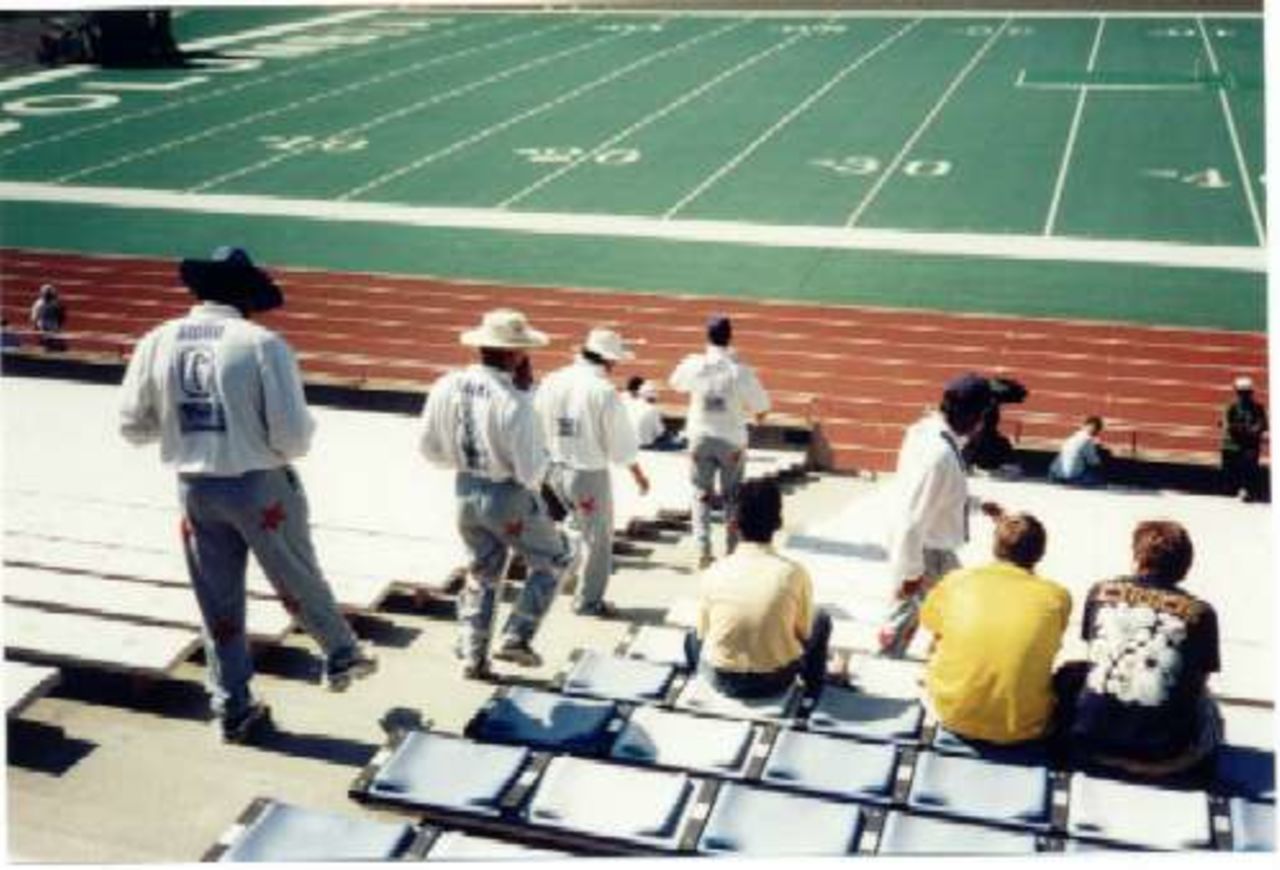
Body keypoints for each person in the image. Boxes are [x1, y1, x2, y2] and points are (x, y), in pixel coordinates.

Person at [118, 246, 376, 744]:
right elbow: (292, 436)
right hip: (259, 482)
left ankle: (231, 703)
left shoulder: (157, 340)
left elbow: (133, 425)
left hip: (194, 488)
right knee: (295, 571)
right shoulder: (261, 343)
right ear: (246, 296)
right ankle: (339, 651)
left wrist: (184, 431)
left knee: (215, 598)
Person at [419, 308, 579, 678]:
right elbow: (529, 472)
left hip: (464, 489)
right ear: (515, 354)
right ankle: (517, 635)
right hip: (507, 495)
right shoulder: (515, 402)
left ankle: (472, 657)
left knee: (482, 571)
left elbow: (429, 448)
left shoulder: (446, 385)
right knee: (556, 557)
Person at [1068, 520, 1222, 777]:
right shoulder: (1201, 613)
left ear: (1137, 559)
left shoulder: (1101, 590)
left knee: (1076, 673)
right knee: (1209, 707)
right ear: (1184, 569)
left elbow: (1095, 648)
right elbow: (1199, 681)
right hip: (1162, 753)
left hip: (1090, 742)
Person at [879, 373, 1005, 658]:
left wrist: (978, 504)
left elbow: (939, 495)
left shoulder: (926, 431)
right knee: (952, 610)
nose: (984, 424)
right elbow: (913, 517)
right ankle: (917, 659)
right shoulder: (940, 455)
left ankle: (893, 653)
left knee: (912, 611)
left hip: (925, 545)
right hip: (925, 550)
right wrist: (911, 573)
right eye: (984, 415)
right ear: (972, 416)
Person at [921, 512, 1071, 744]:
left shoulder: (957, 581)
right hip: (1023, 727)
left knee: (937, 644)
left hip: (951, 714)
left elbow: (934, 632)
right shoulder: (1057, 597)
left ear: (995, 546)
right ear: (1040, 554)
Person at [536, 328, 649, 617]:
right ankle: (588, 601)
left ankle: (562, 577)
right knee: (598, 539)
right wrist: (637, 473)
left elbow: (534, 422)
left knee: (573, 527)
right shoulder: (603, 391)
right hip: (587, 474)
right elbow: (621, 445)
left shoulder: (552, 380)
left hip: (552, 468)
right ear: (608, 361)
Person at [685, 478, 832, 698]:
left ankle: (697, 682)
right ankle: (814, 690)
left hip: (722, 679)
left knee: (692, 636)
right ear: (778, 523)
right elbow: (804, 632)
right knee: (821, 619)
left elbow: (704, 632)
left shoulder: (715, 571)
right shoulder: (794, 573)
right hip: (774, 681)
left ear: (733, 524)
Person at [669, 314, 770, 569]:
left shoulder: (694, 365)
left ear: (708, 336)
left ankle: (702, 549)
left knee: (700, 494)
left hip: (699, 438)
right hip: (731, 441)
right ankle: (732, 551)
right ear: (730, 336)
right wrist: (757, 417)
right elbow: (761, 406)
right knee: (733, 497)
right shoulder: (739, 370)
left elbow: (674, 383)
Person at [1220, 376, 1268, 502]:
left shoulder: (1258, 407)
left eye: (1246, 393)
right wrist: (1241, 430)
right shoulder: (1230, 407)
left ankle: (1246, 488)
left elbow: (1263, 424)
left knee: (1249, 462)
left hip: (1249, 443)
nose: (1244, 396)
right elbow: (1226, 425)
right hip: (1234, 443)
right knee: (1233, 465)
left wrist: (1253, 430)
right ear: (1237, 393)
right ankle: (1236, 486)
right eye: (1242, 393)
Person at [1049, 416, 1110, 486]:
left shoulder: (1071, 438)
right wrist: (1098, 450)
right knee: (1099, 478)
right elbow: (1094, 462)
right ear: (1097, 430)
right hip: (1071, 477)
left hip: (1055, 474)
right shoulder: (1087, 440)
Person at [624, 376, 666, 448]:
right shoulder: (651, 408)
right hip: (644, 445)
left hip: (624, 443)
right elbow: (660, 432)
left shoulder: (623, 401)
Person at [30, 284, 66, 351]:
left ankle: (51, 345)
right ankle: (48, 345)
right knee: (49, 338)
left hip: (50, 324)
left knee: (54, 339)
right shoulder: (39, 303)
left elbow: (61, 315)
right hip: (45, 324)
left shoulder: (55, 303)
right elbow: (34, 316)